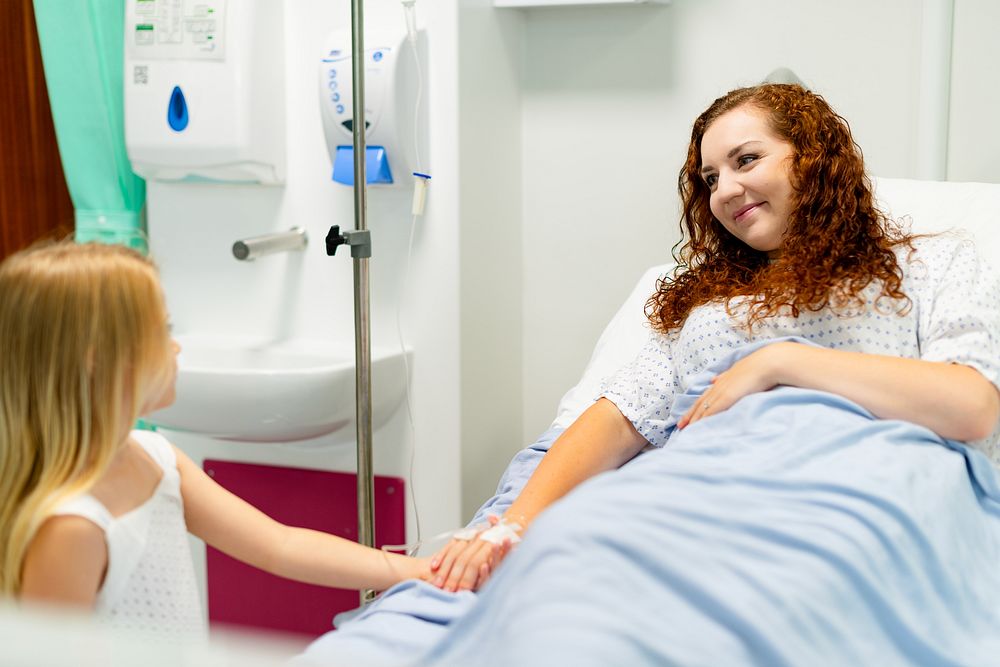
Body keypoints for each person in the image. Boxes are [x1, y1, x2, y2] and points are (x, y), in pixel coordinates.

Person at [427, 83, 1000, 592]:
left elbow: (971, 407)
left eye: (746, 160)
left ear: (815, 159)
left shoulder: (927, 263)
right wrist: (510, 527)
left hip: (846, 507)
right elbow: (619, 417)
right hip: (695, 507)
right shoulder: (702, 307)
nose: (724, 190)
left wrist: (781, 362)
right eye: (709, 179)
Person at [0, 241, 429, 640]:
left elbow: (280, 545)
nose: (177, 348)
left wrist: (420, 570)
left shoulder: (155, 458)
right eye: (161, 330)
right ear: (99, 360)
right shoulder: (71, 527)